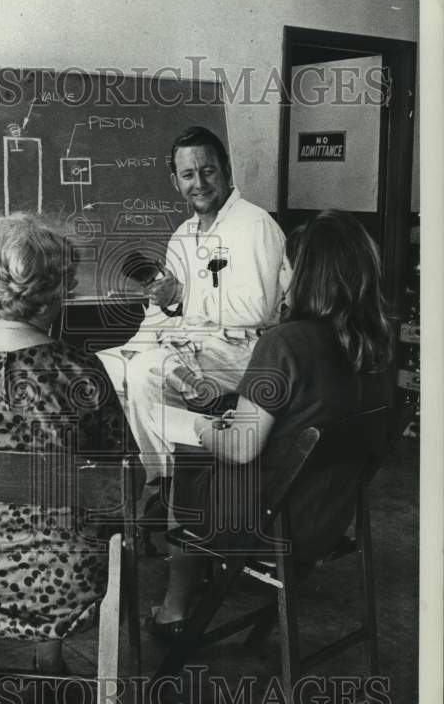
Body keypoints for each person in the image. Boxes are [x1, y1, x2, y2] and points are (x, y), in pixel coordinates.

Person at [150, 210, 394, 640]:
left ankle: (173, 609)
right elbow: (308, 417)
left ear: (306, 276)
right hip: (330, 517)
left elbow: (242, 447)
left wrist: (197, 427)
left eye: (285, 267)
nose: (280, 277)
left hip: (275, 522)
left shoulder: (284, 342)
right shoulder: (375, 344)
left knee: (185, 459)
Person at [0, 212, 141, 674]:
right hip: (75, 582)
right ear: (56, 289)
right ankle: (51, 665)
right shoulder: (83, 372)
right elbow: (126, 481)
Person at [99, 126, 290, 498]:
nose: (199, 183)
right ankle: (157, 474)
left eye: (208, 171)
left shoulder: (254, 224)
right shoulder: (183, 234)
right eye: (188, 174)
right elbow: (164, 311)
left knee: (146, 373)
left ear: (227, 170)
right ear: (175, 181)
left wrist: (183, 294)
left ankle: (164, 488)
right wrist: (137, 338)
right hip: (193, 346)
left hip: (244, 354)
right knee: (105, 367)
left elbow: (256, 308)